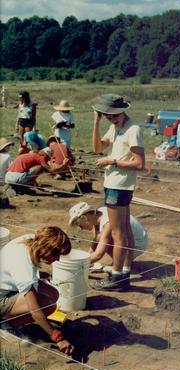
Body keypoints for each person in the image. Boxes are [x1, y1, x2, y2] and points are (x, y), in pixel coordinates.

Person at [91, 94, 145, 289]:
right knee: (125, 230)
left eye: (114, 115)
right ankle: (125, 271)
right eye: (107, 115)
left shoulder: (133, 129)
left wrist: (111, 161)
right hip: (115, 184)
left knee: (118, 233)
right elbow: (97, 148)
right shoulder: (115, 127)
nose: (111, 118)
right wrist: (96, 122)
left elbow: (139, 164)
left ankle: (116, 277)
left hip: (119, 186)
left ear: (123, 111)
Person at [0, 226, 74, 354]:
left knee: (53, 294)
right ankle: (5, 323)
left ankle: (9, 318)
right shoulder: (23, 266)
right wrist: (58, 338)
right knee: (47, 306)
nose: (57, 259)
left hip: (8, 287)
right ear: (46, 249)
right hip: (2, 298)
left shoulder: (32, 240)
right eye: (56, 254)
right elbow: (35, 310)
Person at [68, 202, 148, 278]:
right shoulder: (98, 215)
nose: (81, 229)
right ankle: (122, 262)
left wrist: (76, 265)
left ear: (84, 218)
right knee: (102, 239)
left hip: (137, 244)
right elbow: (96, 242)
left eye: (80, 225)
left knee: (105, 240)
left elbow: (98, 254)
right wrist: (86, 261)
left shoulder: (107, 221)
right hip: (132, 240)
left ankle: (122, 264)